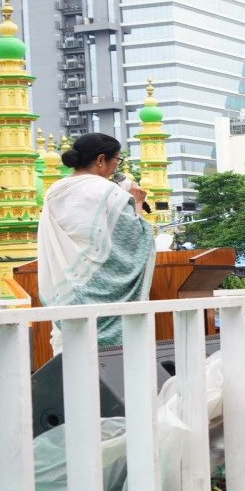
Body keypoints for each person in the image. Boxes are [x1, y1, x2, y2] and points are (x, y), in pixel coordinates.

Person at [37, 132, 154, 351]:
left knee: (71, 362)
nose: (115, 167)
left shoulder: (54, 190)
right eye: (116, 161)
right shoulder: (109, 192)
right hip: (105, 295)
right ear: (101, 160)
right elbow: (136, 241)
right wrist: (137, 203)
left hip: (66, 290)